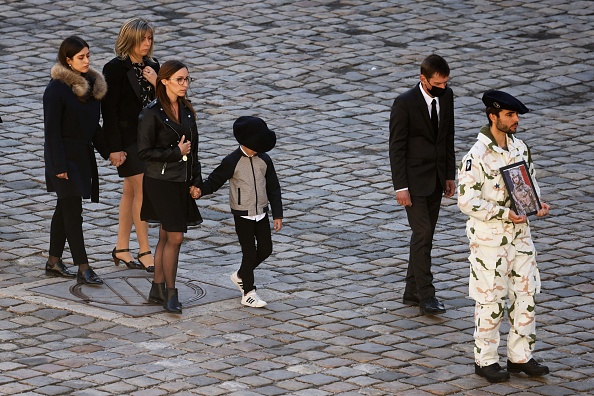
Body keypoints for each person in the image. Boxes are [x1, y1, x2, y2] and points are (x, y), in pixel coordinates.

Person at [458, 90, 551, 383]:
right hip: (490, 241)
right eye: (510, 115)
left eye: (516, 115)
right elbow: (466, 201)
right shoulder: (476, 157)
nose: (516, 120)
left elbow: (529, 182)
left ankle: (520, 357)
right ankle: (485, 361)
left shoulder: (520, 148)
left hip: (520, 237)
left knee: (526, 295)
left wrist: (537, 203)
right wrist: (503, 213)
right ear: (493, 116)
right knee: (491, 300)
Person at [388, 54, 456, 315]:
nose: (442, 88)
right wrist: (400, 187)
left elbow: (448, 136)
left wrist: (449, 175)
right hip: (413, 182)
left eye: (446, 83)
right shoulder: (404, 103)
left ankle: (411, 290)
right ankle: (427, 296)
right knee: (423, 232)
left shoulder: (447, 96)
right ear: (423, 79)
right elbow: (396, 147)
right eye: (437, 84)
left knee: (425, 235)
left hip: (437, 179)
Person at [137, 60, 202, 313]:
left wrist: (196, 180)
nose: (184, 84)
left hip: (181, 181)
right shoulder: (150, 114)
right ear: (164, 82)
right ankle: (171, 294)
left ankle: (157, 287)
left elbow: (194, 150)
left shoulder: (187, 110)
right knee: (175, 236)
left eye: (187, 79)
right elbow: (144, 152)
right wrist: (175, 153)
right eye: (179, 80)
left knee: (166, 235)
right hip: (160, 182)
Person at [43, 36, 109, 285]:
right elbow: (51, 133)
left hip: (82, 157)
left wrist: (110, 152)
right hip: (62, 159)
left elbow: (94, 127)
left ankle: (53, 261)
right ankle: (83, 267)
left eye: (88, 55)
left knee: (64, 209)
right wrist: (58, 167)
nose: (86, 61)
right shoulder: (55, 90)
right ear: (67, 60)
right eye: (81, 57)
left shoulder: (91, 85)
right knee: (73, 212)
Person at [199, 116, 283, 308]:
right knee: (249, 253)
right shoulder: (232, 161)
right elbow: (215, 180)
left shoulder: (264, 160)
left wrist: (277, 214)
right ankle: (248, 292)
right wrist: (200, 190)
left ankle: (241, 275)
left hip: (261, 212)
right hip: (242, 214)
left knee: (266, 249)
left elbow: (273, 187)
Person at [102, 18, 159, 272]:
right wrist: (113, 147)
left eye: (149, 39)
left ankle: (122, 248)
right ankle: (145, 250)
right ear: (130, 39)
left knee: (130, 193)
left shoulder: (153, 66)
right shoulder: (114, 69)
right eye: (142, 39)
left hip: (149, 139)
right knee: (143, 191)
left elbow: (165, 106)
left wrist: (158, 82)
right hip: (127, 140)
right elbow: (109, 111)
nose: (146, 44)